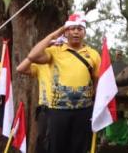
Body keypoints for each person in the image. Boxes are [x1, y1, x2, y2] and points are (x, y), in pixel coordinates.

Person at [26, 13, 100, 153]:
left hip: (84, 110)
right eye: (72, 28)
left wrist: (95, 104)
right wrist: (55, 34)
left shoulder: (93, 54)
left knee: (80, 148)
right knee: (57, 147)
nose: (76, 32)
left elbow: (97, 80)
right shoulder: (54, 51)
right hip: (58, 110)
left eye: (80, 28)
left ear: (84, 32)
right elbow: (32, 56)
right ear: (66, 31)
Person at [17, 35, 64, 153]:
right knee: (43, 142)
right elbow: (21, 68)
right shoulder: (41, 63)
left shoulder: (69, 61)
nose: (56, 47)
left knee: (61, 143)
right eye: (54, 45)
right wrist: (45, 46)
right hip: (45, 109)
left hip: (64, 108)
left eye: (60, 45)